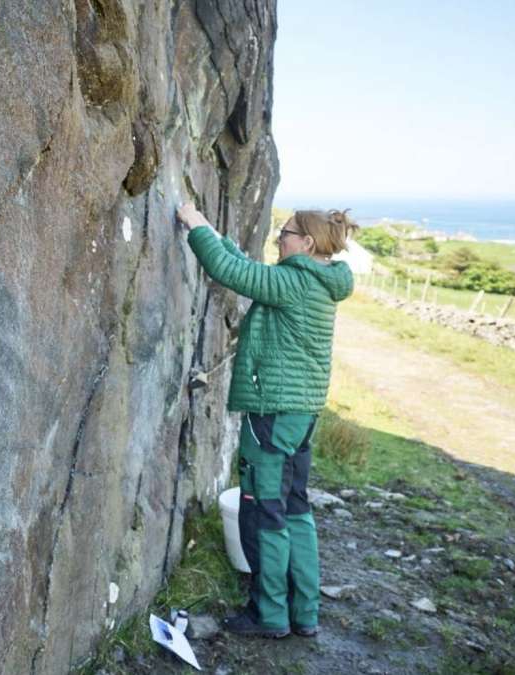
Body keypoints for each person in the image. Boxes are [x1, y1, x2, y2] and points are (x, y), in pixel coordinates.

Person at [176, 203, 356, 639]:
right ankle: (304, 612)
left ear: (306, 243)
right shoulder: (317, 281)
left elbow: (230, 272)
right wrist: (215, 232)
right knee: (295, 508)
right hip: (301, 413)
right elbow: (248, 267)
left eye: (286, 233)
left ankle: (269, 615)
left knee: (265, 512)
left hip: (273, 414)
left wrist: (195, 227)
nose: (279, 238)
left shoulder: (294, 281)